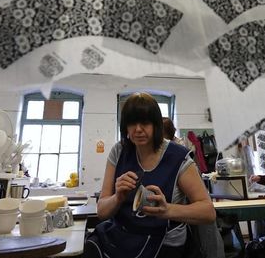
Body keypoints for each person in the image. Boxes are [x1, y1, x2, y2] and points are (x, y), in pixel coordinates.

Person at [84, 93, 215, 258]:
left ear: (156, 125)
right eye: (132, 123)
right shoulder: (119, 151)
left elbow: (208, 212)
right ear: (125, 127)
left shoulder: (178, 158)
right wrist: (117, 197)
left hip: (163, 243)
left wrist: (168, 210)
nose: (138, 129)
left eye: (145, 122)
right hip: (122, 237)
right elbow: (102, 212)